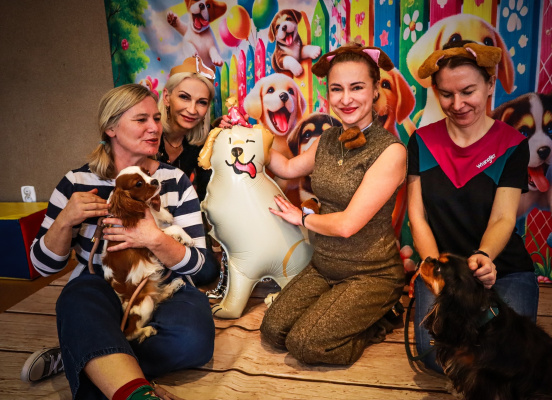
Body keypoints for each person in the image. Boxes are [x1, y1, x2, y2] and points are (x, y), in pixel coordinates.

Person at [21, 84, 218, 400]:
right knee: (76, 301)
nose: (155, 127)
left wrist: (154, 238)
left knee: (194, 341)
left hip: (164, 285)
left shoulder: (175, 181)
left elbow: (203, 267)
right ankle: (114, 369)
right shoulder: (75, 182)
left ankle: (87, 353)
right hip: (101, 286)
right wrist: (65, 220)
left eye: (157, 118)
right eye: (141, 119)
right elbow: (43, 266)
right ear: (110, 128)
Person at [256, 42, 407, 365]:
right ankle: (339, 312)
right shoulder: (327, 139)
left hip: (371, 274)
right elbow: (287, 167)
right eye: (337, 89)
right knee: (273, 331)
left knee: (305, 344)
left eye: (357, 87)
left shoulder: (390, 151)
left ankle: (379, 321)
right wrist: (249, 138)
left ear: (375, 90)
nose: (345, 99)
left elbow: (347, 224)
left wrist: (303, 218)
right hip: (324, 266)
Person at [407, 40, 539, 373]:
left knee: (511, 355)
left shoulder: (512, 144)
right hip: (445, 269)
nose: (458, 104)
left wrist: (485, 257)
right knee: (435, 355)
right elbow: (417, 217)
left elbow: (504, 217)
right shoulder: (421, 141)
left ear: (490, 85)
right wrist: (436, 270)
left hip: (502, 268)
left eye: (468, 91)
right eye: (446, 94)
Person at [157, 56, 215, 201]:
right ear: (167, 97)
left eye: (202, 102)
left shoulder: (209, 141)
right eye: (184, 97)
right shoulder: (146, 135)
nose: (192, 110)